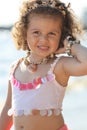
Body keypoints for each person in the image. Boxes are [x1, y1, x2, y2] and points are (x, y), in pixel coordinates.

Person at [0, 0, 87, 130]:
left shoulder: (59, 66)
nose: (43, 39)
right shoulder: (15, 67)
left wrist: (70, 45)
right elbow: (8, 107)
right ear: (24, 32)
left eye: (52, 33)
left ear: (62, 35)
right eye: (36, 32)